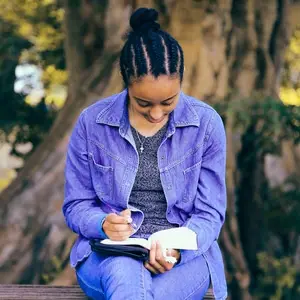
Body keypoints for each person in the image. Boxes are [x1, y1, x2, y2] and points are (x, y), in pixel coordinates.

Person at [63, 7, 227, 300]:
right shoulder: (92, 123)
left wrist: (175, 248)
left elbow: (210, 213)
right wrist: (102, 223)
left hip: (183, 259)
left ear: (182, 78)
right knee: (126, 276)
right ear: (126, 79)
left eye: (168, 101)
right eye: (143, 103)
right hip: (108, 256)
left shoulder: (206, 124)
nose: (156, 113)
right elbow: (76, 205)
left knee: (138, 292)